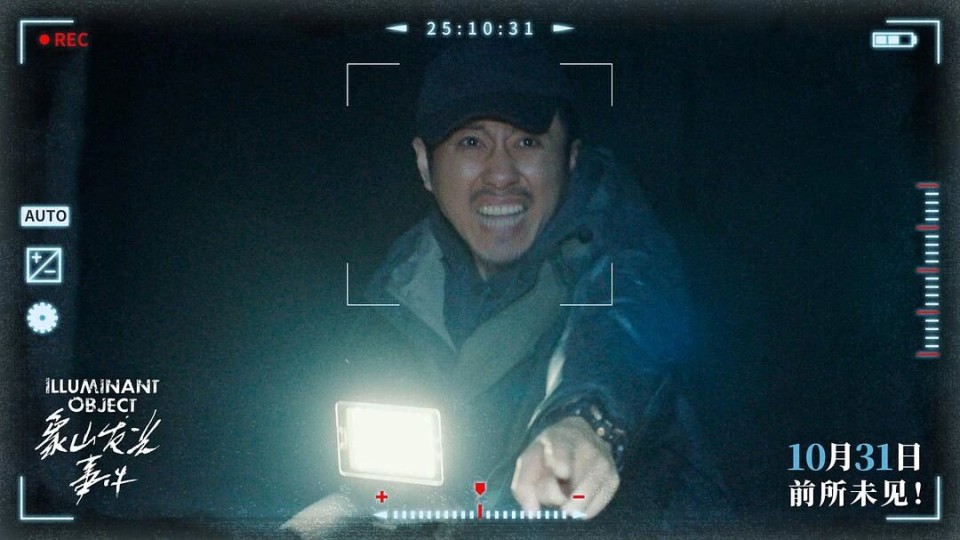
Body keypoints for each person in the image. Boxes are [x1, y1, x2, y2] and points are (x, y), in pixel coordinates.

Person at [284, 40, 723, 536]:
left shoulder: (620, 247)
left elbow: (624, 324)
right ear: (425, 165)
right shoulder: (404, 284)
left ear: (571, 159)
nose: (500, 174)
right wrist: (352, 505)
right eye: (471, 142)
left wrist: (586, 422)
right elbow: (415, 478)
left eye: (527, 142)